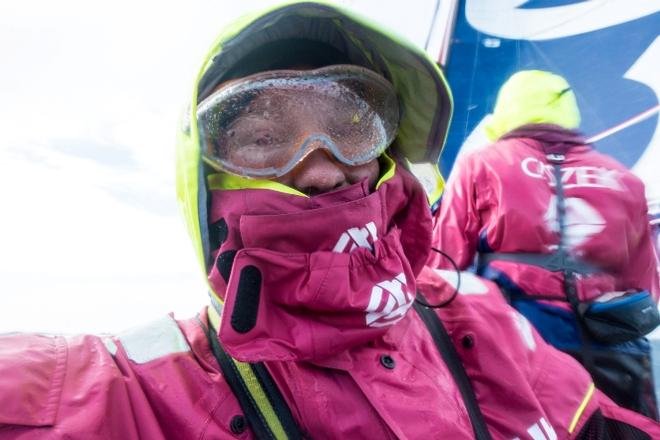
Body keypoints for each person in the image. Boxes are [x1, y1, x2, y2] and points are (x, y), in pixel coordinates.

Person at [1, 4, 659, 439]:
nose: (322, 169)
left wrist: (440, 285)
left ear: (388, 155)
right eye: (262, 137)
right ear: (204, 180)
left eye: (354, 128)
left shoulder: (479, 327)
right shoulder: (147, 390)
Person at [429, 69, 660, 419]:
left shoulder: (482, 164)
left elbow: (441, 265)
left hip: (521, 345)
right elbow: (647, 285)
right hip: (616, 351)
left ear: (508, 111)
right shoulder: (624, 179)